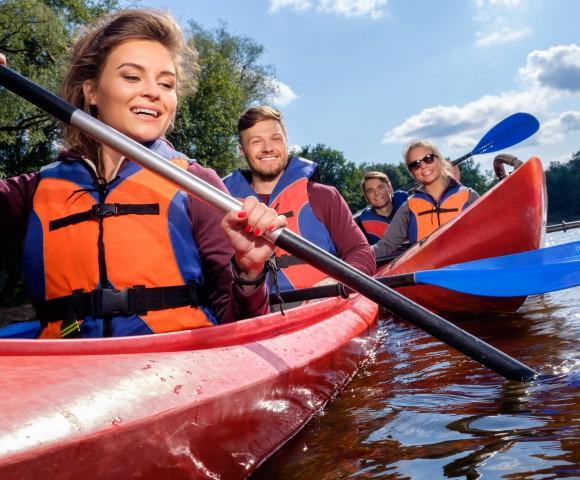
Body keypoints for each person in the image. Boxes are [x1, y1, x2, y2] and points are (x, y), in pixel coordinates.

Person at [0, 10, 287, 339]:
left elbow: (238, 323)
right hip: (65, 369)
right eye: (132, 77)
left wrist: (249, 276)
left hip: (173, 369)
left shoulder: (197, 184)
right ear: (91, 91)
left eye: (166, 83)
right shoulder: (34, 189)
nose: (153, 92)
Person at [223, 106, 375, 292]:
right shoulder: (224, 207)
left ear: (286, 143)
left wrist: (337, 285)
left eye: (276, 139)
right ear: (241, 151)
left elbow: (362, 252)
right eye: (256, 141)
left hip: (327, 306)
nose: (268, 148)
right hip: (258, 313)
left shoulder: (324, 196)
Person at [373, 140, 479, 258]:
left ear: (439, 160)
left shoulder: (468, 196)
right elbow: (385, 246)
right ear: (412, 172)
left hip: (464, 267)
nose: (423, 166)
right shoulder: (408, 208)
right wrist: (360, 255)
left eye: (428, 158)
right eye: (415, 164)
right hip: (426, 271)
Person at [354, 171, 408, 245]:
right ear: (366, 197)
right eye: (370, 191)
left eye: (380, 187)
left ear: (390, 188)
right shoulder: (361, 229)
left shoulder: (410, 205)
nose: (376, 193)